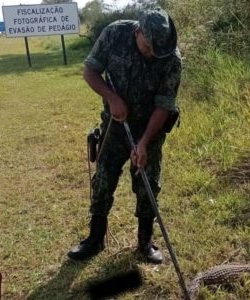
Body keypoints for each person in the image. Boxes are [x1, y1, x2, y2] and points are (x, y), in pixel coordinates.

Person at [68, 8, 182, 264]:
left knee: (148, 185)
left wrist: (143, 143)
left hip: (150, 130)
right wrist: (112, 97)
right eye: (148, 48)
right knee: (103, 179)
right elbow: (90, 71)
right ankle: (95, 239)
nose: (154, 55)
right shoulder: (114, 34)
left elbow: (165, 105)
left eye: (158, 51)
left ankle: (145, 243)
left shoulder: (171, 58)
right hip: (114, 126)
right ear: (137, 31)